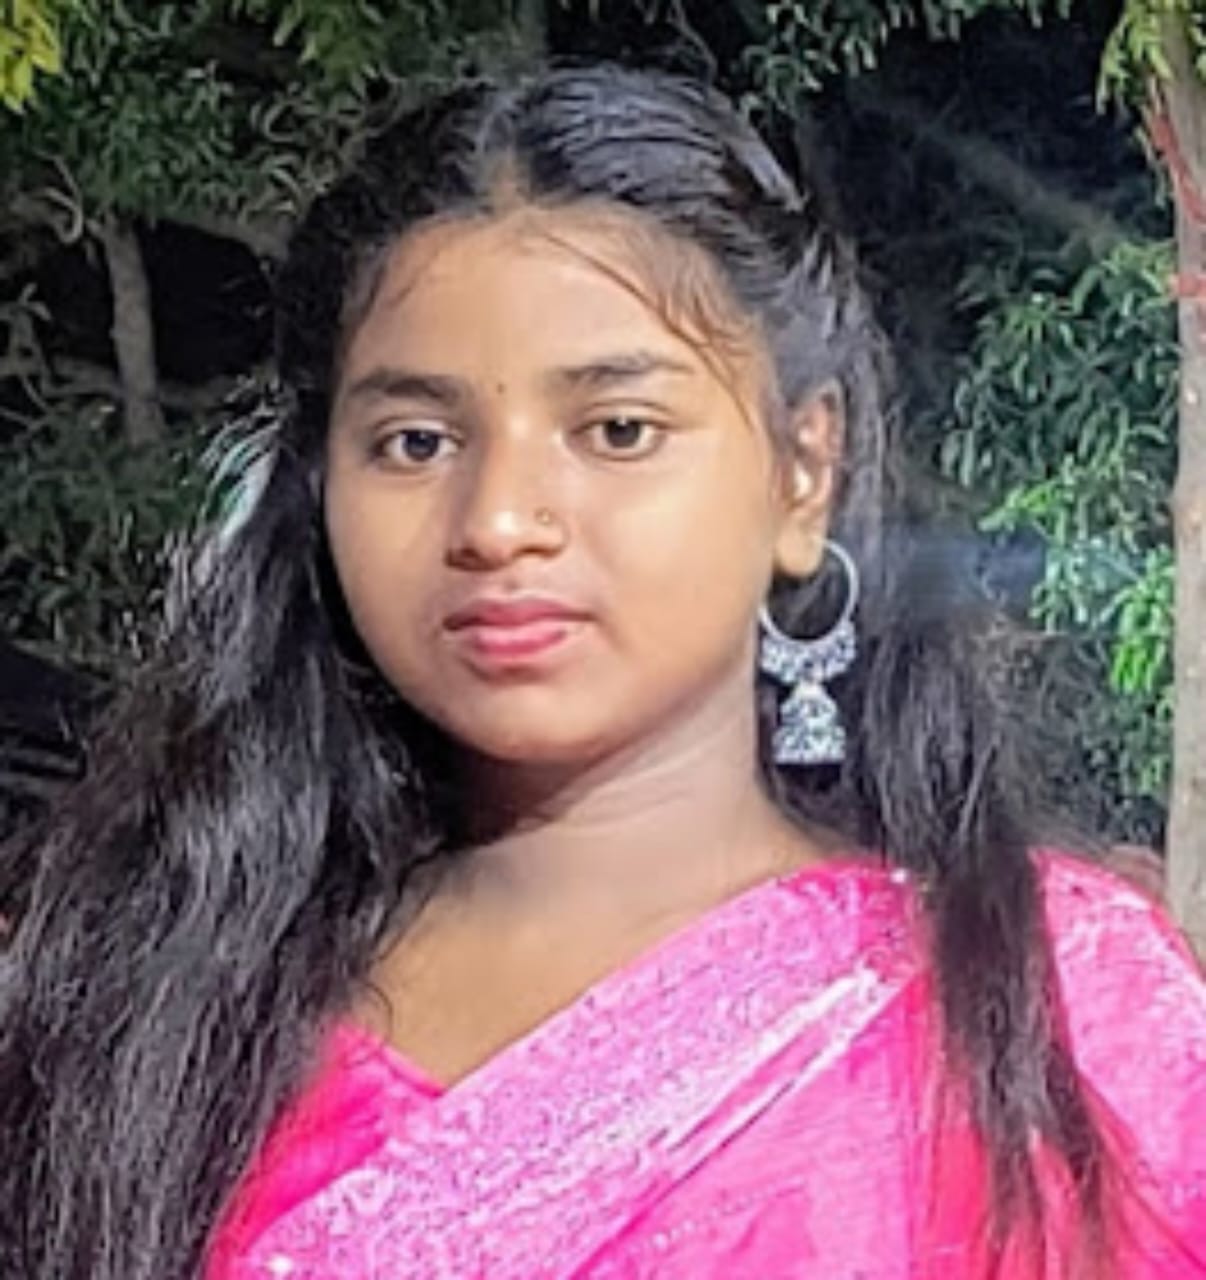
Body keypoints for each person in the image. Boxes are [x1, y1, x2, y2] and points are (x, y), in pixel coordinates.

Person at [1, 64, 1203, 1280]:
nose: (499, 520)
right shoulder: (160, 1002)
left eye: (618, 430)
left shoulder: (1052, 1009)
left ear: (804, 470)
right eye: (415, 442)